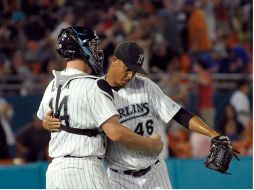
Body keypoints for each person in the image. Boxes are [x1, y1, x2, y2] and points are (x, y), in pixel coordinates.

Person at [43, 41, 224, 189]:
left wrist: (212, 134)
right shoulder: (94, 91)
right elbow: (71, 121)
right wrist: (47, 122)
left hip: (155, 172)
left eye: (135, 70)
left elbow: (179, 114)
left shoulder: (145, 86)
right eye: (127, 69)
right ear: (114, 60)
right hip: (119, 178)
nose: (131, 75)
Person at [37, 27, 163, 189]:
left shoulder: (53, 84)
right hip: (85, 170)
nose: (97, 51)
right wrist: (149, 144)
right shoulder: (93, 85)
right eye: (93, 46)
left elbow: (45, 119)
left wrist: (46, 123)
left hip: (56, 172)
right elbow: (115, 132)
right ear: (81, 48)